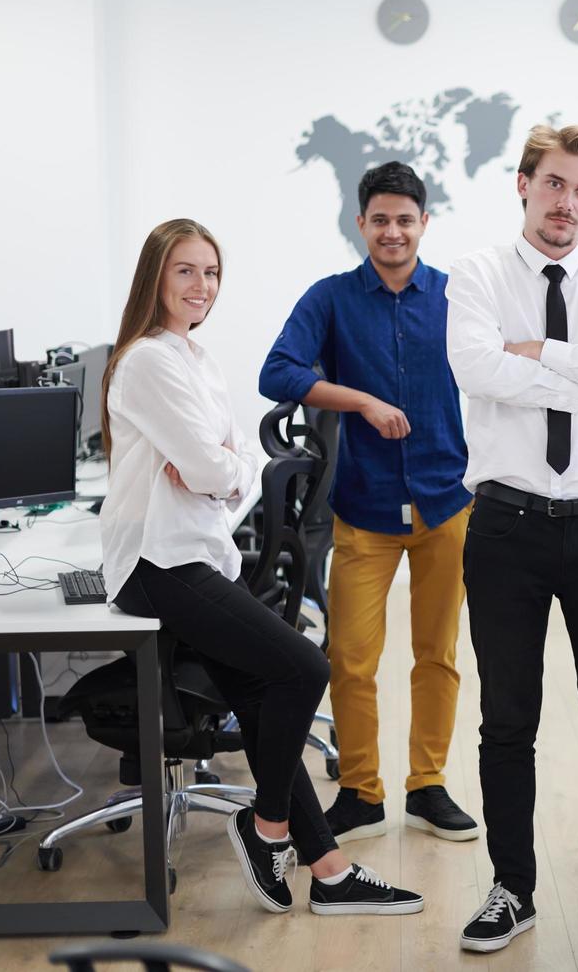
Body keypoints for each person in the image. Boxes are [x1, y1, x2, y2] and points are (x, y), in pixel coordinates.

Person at [98, 218, 422, 917]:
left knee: (258, 691)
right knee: (304, 670)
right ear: (155, 276)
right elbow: (219, 466)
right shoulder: (150, 360)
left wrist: (220, 466)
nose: (201, 285)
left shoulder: (197, 358)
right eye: (185, 270)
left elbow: (238, 465)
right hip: (158, 561)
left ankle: (330, 872)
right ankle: (266, 825)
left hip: (197, 554)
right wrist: (219, 466)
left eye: (211, 273)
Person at [445, 124, 578, 953]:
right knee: (508, 720)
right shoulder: (476, 273)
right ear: (523, 185)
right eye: (554, 185)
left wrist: (537, 355)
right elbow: (474, 368)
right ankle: (512, 889)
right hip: (506, 526)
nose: (567, 203)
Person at [259, 161, 476, 845]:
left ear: (424, 224)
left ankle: (428, 785)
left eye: (404, 220)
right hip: (365, 507)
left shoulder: (457, 295)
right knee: (350, 658)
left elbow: (514, 360)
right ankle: (360, 791)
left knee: (436, 654)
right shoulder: (331, 299)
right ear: (361, 224)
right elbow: (278, 372)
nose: (392, 231)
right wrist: (358, 400)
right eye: (379, 219)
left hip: (448, 502)